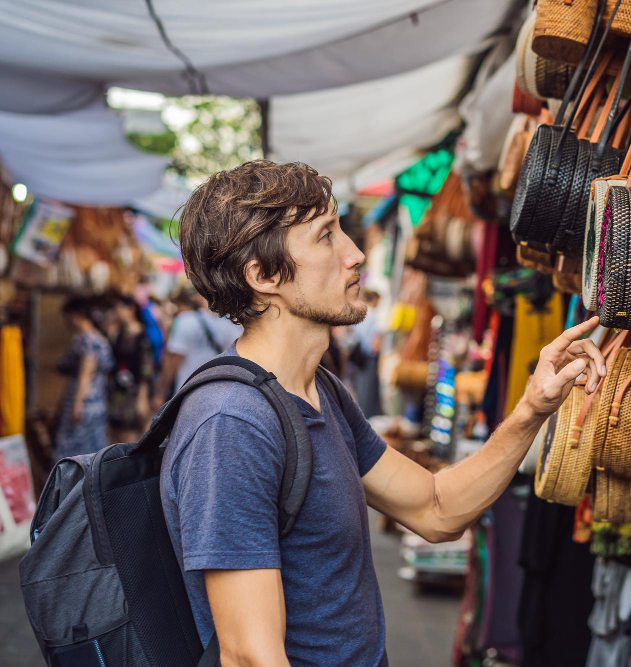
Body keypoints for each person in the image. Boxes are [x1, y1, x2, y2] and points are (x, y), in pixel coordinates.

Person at [163, 160, 605, 667]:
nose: (355, 255)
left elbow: (437, 510)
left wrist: (532, 407)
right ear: (263, 276)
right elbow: (249, 656)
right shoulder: (232, 424)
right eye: (325, 237)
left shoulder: (320, 390)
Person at [151, 287, 242, 407]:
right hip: (219, 395)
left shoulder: (185, 320)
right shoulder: (231, 324)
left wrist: (160, 391)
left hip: (188, 392)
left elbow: (173, 361)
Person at [53, 297, 115, 458]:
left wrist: (77, 404)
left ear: (74, 315)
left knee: (74, 450)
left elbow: (85, 375)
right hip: (97, 400)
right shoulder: (99, 338)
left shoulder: (86, 339)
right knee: (91, 451)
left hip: (84, 402)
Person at [107, 293, 155, 443]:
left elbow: (146, 369)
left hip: (133, 391)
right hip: (117, 389)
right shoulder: (117, 333)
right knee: (115, 432)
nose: (118, 312)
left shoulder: (142, 336)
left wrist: (142, 397)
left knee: (129, 434)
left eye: (121, 308)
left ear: (131, 309)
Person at [348, 289, 383, 417]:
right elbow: (376, 340)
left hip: (358, 355)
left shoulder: (360, 313)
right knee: (369, 386)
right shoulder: (373, 314)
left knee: (360, 386)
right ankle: (367, 414)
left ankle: (361, 412)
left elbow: (353, 334)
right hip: (370, 355)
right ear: (374, 299)